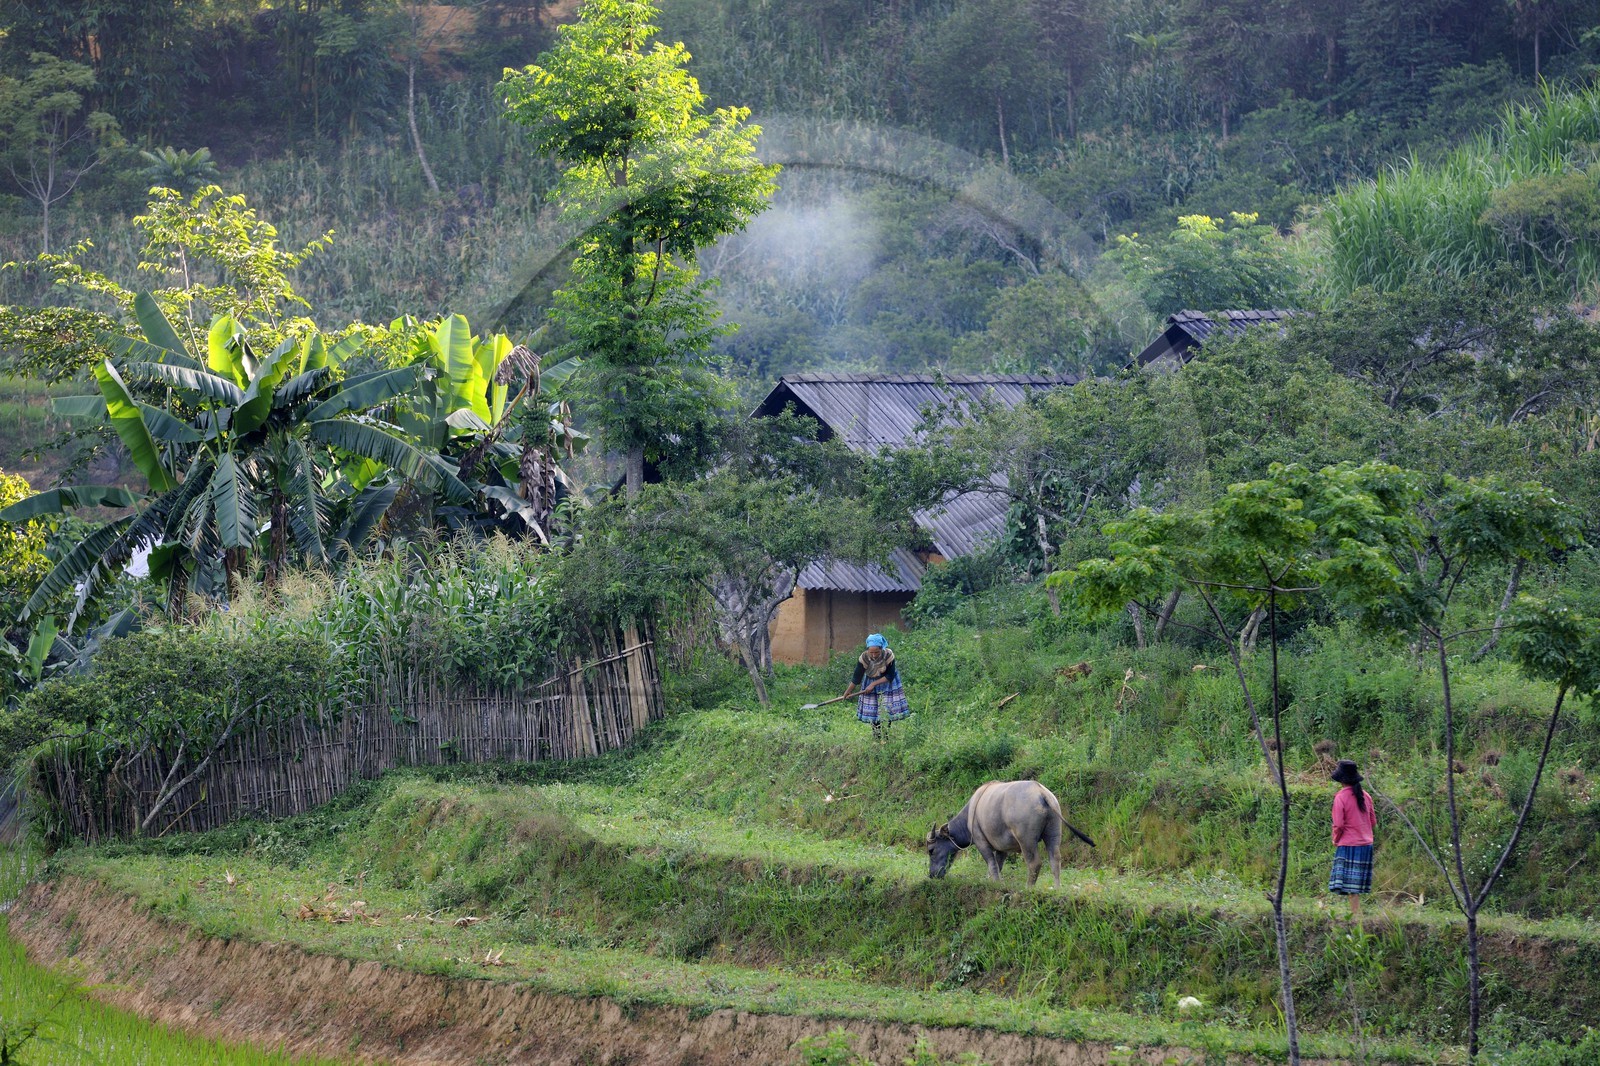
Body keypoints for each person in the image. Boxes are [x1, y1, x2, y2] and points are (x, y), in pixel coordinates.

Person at [1328, 759, 1377, 918]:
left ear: (1341, 780)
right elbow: (1372, 822)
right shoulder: (1366, 796)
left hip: (1349, 845)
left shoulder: (1340, 797)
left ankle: (1356, 916)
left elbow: (1339, 825)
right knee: (1355, 887)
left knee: (1351, 888)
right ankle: (1356, 914)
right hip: (1366, 845)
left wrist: (1335, 839)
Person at [841, 633, 910, 741]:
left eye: (876, 652)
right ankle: (877, 737)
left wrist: (873, 684)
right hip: (870, 682)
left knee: (886, 710)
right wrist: (847, 692)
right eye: (871, 652)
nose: (873, 655)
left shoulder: (888, 654)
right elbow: (856, 678)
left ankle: (885, 737)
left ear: (882, 649)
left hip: (887, 683)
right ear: (867, 650)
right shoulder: (864, 658)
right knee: (874, 711)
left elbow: (890, 676)